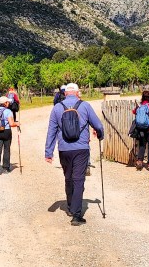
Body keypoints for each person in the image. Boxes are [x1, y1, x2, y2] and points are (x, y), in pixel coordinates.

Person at [44, 83, 104, 226]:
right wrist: (100, 135)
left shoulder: (57, 108)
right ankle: (76, 215)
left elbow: (51, 131)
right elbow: (99, 125)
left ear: (65, 93)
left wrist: (48, 152)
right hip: (81, 148)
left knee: (68, 177)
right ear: (77, 93)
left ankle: (71, 207)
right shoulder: (85, 106)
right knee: (78, 179)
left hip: (64, 149)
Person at [0, 96, 21, 176]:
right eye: (8, 102)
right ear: (5, 103)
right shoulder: (8, 111)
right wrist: (17, 123)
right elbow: (11, 123)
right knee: (6, 149)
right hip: (6, 132)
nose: (9, 103)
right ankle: (5, 167)